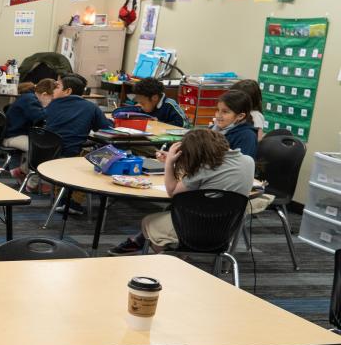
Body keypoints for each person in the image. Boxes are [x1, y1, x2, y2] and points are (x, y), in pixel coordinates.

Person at [109, 128, 254, 255]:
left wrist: (170, 163)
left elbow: (173, 192)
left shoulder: (205, 169)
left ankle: (180, 260)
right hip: (226, 230)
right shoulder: (248, 161)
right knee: (171, 209)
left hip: (195, 228)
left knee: (149, 221)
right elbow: (216, 174)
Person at [45, 74, 114, 215]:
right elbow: (104, 128)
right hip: (71, 155)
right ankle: (74, 202)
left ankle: (62, 198)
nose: (53, 90)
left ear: (68, 91)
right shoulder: (90, 107)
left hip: (47, 154)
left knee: (70, 156)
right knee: (106, 154)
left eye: (57, 86)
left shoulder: (51, 104)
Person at [2, 78, 53, 182]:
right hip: (13, 137)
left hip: (14, 134)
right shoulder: (30, 99)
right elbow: (40, 117)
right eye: (52, 99)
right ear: (44, 94)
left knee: (38, 144)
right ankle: (24, 172)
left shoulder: (28, 97)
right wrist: (50, 109)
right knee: (40, 148)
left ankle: (24, 173)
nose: (52, 102)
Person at [112, 77, 188, 128]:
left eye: (143, 103)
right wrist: (136, 107)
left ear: (154, 98)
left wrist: (158, 123)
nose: (141, 106)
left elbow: (184, 124)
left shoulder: (169, 105)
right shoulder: (143, 107)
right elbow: (117, 112)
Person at [214, 90, 258, 158]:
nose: (218, 115)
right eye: (217, 110)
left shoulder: (247, 137)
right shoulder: (213, 129)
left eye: (225, 112)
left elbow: (242, 165)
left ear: (240, 116)